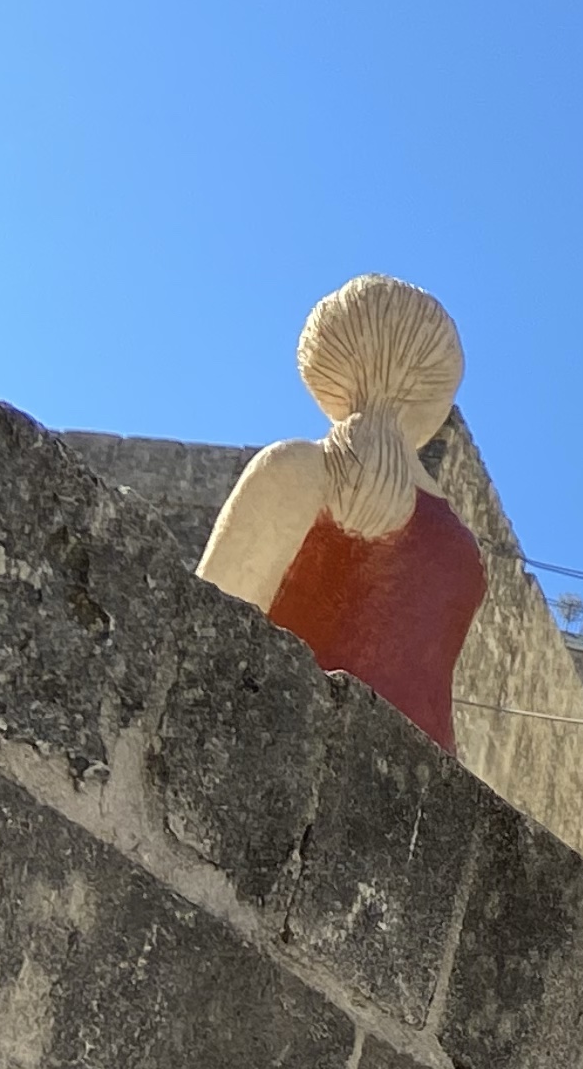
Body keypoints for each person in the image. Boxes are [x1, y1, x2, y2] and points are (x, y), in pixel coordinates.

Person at [195, 276, 485, 749]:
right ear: (437, 387)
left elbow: (206, 626)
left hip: (284, 739)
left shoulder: (300, 469)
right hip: (415, 772)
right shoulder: (464, 552)